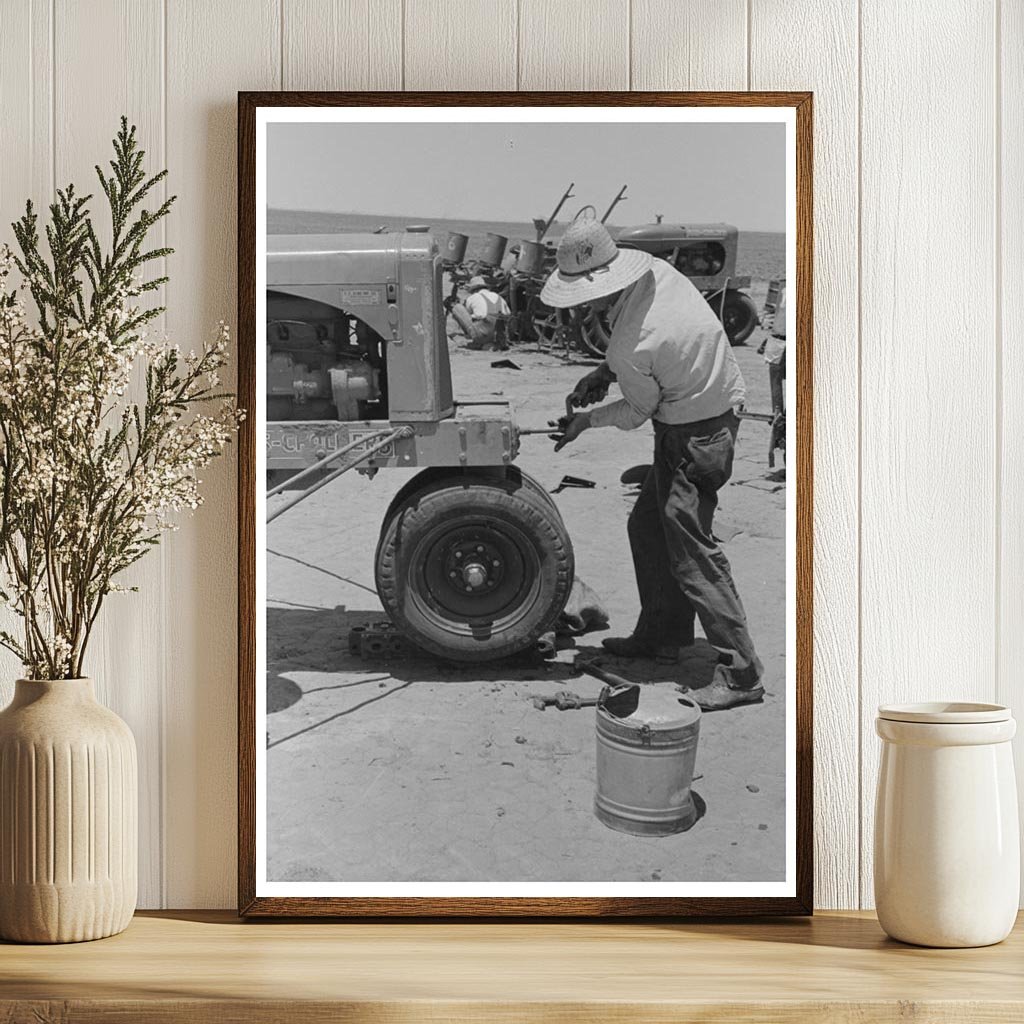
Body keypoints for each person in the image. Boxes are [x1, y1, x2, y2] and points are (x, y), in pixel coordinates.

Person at [543, 208, 764, 711]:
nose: (581, 310)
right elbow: (651, 353)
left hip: (697, 434)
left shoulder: (631, 343)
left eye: (582, 299)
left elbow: (636, 411)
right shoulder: (652, 272)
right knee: (648, 526)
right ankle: (663, 637)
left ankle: (742, 672)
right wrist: (604, 372)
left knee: (692, 551)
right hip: (710, 405)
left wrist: (585, 421)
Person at [451, 275, 510, 350]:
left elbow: (468, 317)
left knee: (457, 308)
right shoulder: (497, 296)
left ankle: (479, 341)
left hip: (483, 334)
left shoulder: (473, 297)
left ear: (473, 289)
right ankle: (493, 343)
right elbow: (508, 314)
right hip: (500, 335)